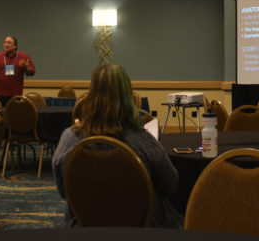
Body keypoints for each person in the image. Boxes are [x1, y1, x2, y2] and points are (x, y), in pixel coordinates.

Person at [52, 64, 183, 228]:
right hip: (141, 228)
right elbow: (171, 184)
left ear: (91, 95)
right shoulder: (143, 140)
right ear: (129, 97)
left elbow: (64, 192)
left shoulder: (69, 139)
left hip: (85, 228)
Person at [0, 36, 35, 106]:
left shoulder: (24, 57)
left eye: (9, 43)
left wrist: (26, 68)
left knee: (14, 115)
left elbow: (32, 72)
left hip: (15, 94)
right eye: (5, 42)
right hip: (0, 94)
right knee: (1, 115)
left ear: (15, 46)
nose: (6, 45)